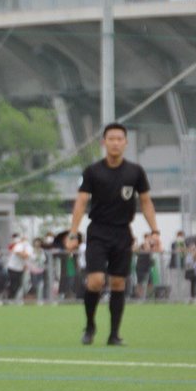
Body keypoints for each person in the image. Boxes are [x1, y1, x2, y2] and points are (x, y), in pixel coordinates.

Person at [66, 122, 161, 345]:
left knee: (118, 283)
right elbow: (81, 202)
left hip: (122, 232)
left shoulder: (135, 172)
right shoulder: (92, 171)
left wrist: (155, 231)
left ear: (126, 143)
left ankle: (114, 335)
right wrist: (73, 233)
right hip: (98, 231)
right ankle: (90, 326)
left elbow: (146, 202)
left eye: (120, 139)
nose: (115, 143)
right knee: (96, 281)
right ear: (104, 142)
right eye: (111, 139)